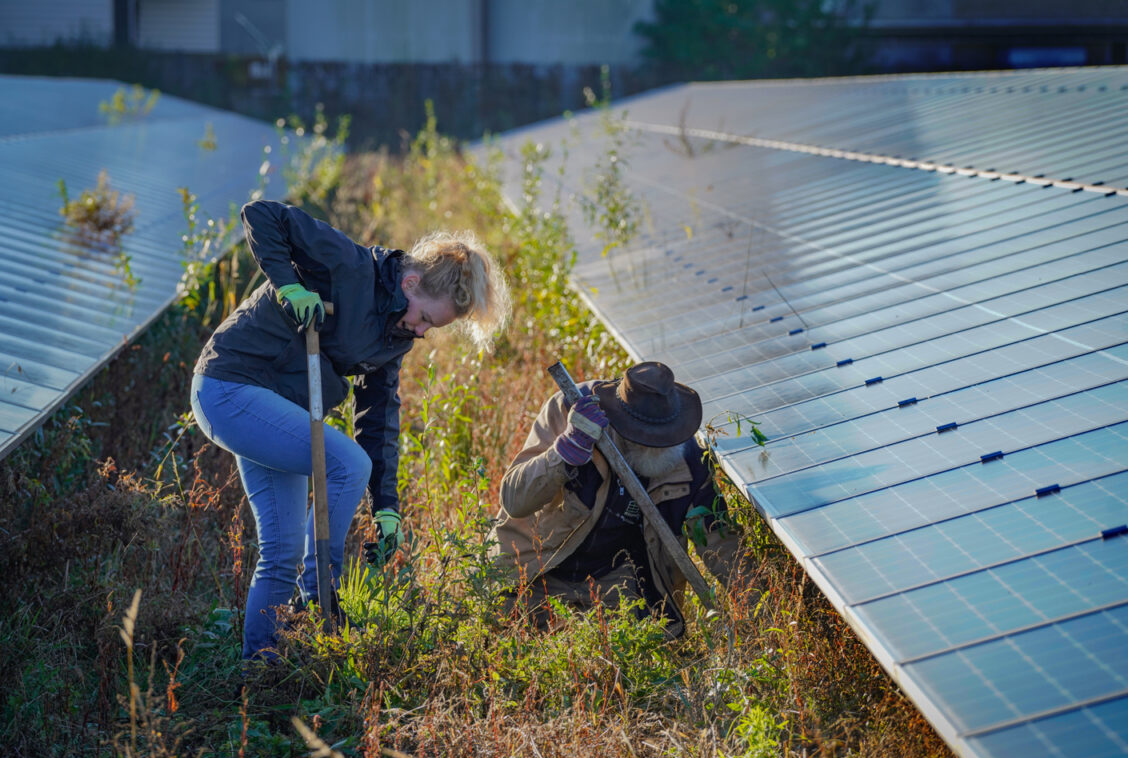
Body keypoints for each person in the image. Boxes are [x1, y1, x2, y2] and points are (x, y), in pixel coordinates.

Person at [191, 199, 509, 660]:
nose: (421, 332)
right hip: (229, 384)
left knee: (280, 552)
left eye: (430, 329)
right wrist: (289, 288)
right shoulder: (349, 264)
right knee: (347, 464)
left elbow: (378, 417)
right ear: (411, 282)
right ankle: (322, 595)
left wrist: (387, 509)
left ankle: (258, 671)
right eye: (424, 317)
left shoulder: (393, 337)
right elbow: (261, 213)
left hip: (273, 406)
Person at [489, 361, 746, 638]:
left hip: (616, 579)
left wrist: (755, 613)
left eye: (662, 437)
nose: (653, 444)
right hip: (540, 568)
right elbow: (514, 501)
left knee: (639, 654)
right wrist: (563, 453)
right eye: (643, 436)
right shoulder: (571, 409)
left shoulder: (692, 462)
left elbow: (723, 545)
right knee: (506, 637)